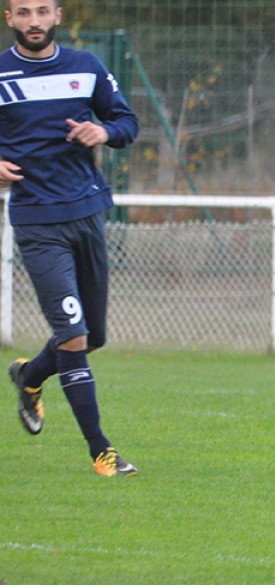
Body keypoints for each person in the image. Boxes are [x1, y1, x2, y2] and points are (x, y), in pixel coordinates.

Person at [1, 0, 139, 476]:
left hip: (88, 214)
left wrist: (102, 131)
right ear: (10, 19)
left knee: (91, 335)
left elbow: (127, 124)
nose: (33, 21)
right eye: (23, 12)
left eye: (42, 11)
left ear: (57, 15)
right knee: (74, 337)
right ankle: (101, 452)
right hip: (38, 223)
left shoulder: (87, 68)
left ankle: (30, 375)